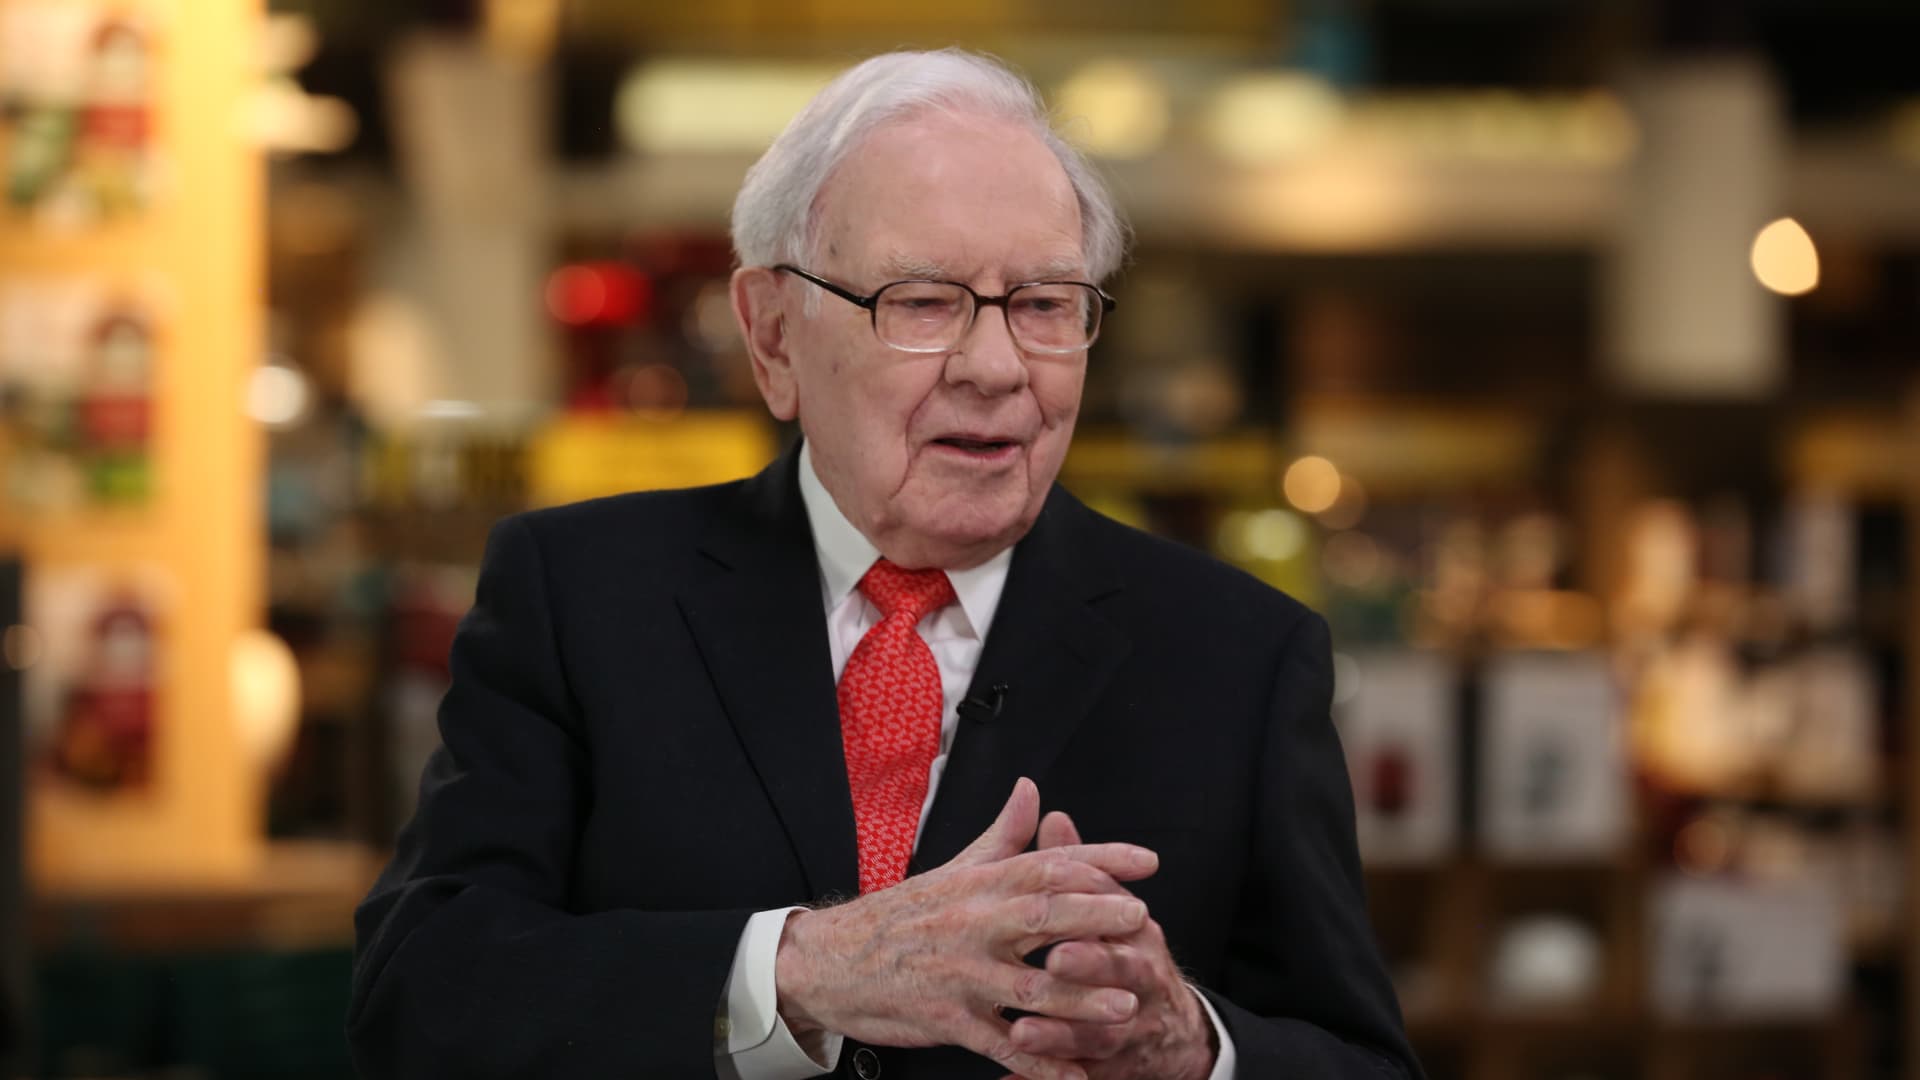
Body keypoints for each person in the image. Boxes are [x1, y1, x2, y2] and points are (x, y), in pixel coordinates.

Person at [348, 49, 1419, 1080]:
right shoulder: (581, 596)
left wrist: (1191, 1051)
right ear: (773, 335)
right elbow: (421, 995)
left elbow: (1360, 1060)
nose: (997, 367)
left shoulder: (1238, 657)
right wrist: (804, 972)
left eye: (1045, 305)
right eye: (922, 302)